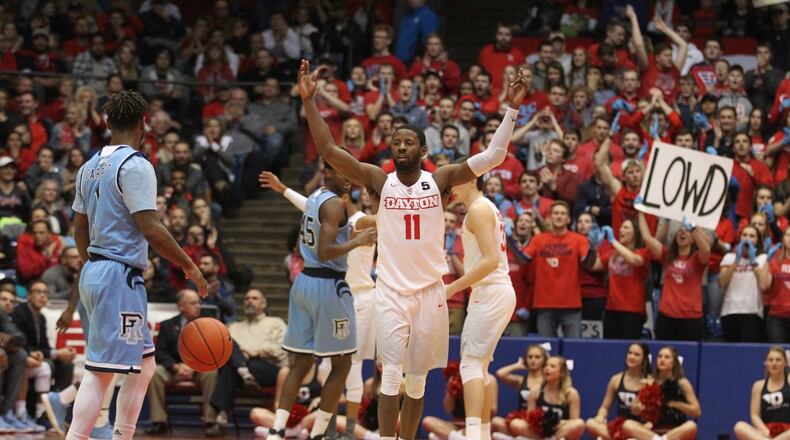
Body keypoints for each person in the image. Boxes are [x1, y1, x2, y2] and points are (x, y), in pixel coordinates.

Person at [295, 59, 526, 440]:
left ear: (422, 150)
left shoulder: (442, 180)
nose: (401, 146)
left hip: (431, 293)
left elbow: (493, 157)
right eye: (396, 142)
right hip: (390, 293)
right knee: (389, 380)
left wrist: (512, 110)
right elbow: (329, 150)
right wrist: (309, 102)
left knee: (416, 384)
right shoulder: (377, 180)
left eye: (408, 142)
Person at [65, 90, 208, 440]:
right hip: (117, 275)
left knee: (145, 366)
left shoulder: (88, 167)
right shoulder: (136, 165)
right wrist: (190, 265)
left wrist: (93, 267)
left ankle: (121, 435)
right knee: (100, 372)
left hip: (99, 270)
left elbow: (79, 229)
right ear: (144, 123)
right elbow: (152, 227)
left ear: (107, 123)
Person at [264, 151, 376, 440]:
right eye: (343, 172)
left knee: (300, 364)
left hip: (303, 283)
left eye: (352, 173)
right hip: (331, 288)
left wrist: (282, 188)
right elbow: (328, 249)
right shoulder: (342, 208)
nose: (349, 177)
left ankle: (277, 430)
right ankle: (322, 433)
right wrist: (360, 240)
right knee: (343, 363)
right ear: (327, 172)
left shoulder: (316, 198)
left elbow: (305, 206)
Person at [445, 174, 516, 440]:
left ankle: (473, 435)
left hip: (491, 290)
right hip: (492, 292)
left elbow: (490, 262)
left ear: (472, 181)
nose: (451, 187)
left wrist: (452, 287)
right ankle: (482, 435)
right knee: (480, 366)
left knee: (470, 365)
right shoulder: (485, 208)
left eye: (456, 181)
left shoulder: (478, 209)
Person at [209, 288, 287, 435]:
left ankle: (223, 413)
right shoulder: (235, 327)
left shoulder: (275, 323)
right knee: (226, 343)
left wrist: (251, 351)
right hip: (240, 373)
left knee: (233, 365)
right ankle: (243, 371)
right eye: (247, 298)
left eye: (254, 298)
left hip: (268, 368)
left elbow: (281, 349)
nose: (249, 301)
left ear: (264, 304)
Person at [145, 289, 218, 436]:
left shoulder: (208, 323)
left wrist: (194, 367)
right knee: (155, 372)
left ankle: (211, 421)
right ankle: (159, 422)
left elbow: (212, 350)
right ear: (181, 306)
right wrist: (175, 366)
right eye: (193, 303)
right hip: (174, 369)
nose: (198, 306)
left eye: (199, 302)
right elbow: (160, 352)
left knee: (211, 372)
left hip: (199, 369)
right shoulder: (168, 325)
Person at [525, 201, 595, 338]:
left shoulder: (579, 240)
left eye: (563, 213)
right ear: (550, 217)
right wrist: (508, 240)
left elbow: (587, 263)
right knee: (546, 349)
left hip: (571, 304)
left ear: (569, 219)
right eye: (555, 213)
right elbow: (523, 259)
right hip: (544, 303)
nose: (559, 216)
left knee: (574, 349)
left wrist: (593, 249)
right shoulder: (538, 239)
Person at [639, 212, 711, 341]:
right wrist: (640, 212)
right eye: (680, 231)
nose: (682, 232)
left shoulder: (697, 259)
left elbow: (706, 249)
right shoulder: (667, 255)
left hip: (691, 318)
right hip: (666, 316)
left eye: (686, 231)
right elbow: (647, 239)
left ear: (693, 238)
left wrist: (693, 228)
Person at [622, 346, 700, 440]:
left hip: (675, 431)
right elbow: (634, 409)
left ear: (674, 362)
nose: (662, 359)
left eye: (667, 357)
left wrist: (676, 404)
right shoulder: (650, 382)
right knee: (627, 424)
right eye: (660, 356)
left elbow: (696, 411)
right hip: (651, 431)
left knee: (691, 426)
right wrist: (639, 407)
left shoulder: (683, 383)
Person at [585, 343, 651, 439]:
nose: (631, 357)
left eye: (636, 354)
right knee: (590, 423)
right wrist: (600, 416)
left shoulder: (650, 382)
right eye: (630, 353)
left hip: (639, 427)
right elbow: (605, 407)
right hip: (619, 427)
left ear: (644, 359)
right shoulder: (616, 380)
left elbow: (654, 415)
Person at [509, 356, 584, 440]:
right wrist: (540, 423)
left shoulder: (571, 394)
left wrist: (555, 423)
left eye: (552, 366)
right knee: (515, 424)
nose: (547, 368)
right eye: (546, 365)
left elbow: (574, 420)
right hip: (539, 432)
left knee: (579, 423)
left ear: (562, 372)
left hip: (559, 430)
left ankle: (551, 438)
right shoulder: (535, 391)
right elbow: (529, 417)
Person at [718, 224, 772, 342]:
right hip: (729, 310)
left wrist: (753, 263)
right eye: (745, 235)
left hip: (752, 312)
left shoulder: (762, 258)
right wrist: (736, 262)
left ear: (757, 240)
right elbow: (721, 282)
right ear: (740, 238)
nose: (747, 238)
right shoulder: (729, 257)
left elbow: (764, 285)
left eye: (752, 236)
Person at [733, 346, 790, 439]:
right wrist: (765, 431)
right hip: (766, 433)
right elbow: (754, 415)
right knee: (739, 426)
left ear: (785, 363)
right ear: (766, 363)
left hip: (787, 433)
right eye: (770, 360)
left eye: (778, 360)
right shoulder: (758, 386)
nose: (774, 363)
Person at [492, 345, 547, 435]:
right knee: (496, 421)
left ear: (544, 360)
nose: (533, 360)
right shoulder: (520, 380)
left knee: (517, 426)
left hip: (541, 423)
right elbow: (500, 373)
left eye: (537, 357)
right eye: (530, 357)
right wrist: (518, 365)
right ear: (526, 360)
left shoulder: (548, 381)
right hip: (522, 421)